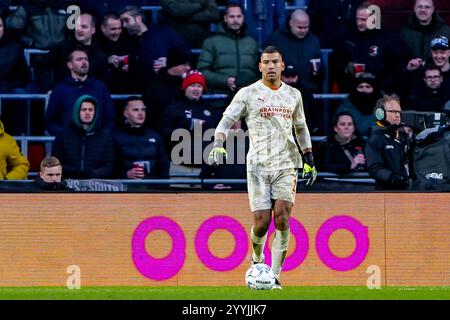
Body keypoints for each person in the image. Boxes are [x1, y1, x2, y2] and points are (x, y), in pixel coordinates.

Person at [208, 46, 317, 289]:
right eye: (265, 62)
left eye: (274, 62)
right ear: (259, 66)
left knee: (282, 218)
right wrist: (218, 144)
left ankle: (275, 276)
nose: (270, 66)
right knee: (261, 222)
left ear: (282, 65)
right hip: (257, 165)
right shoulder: (248, 93)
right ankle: (258, 259)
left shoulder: (294, 95)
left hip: (286, 164)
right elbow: (226, 120)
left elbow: (301, 127)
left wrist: (309, 159)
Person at [331, 1, 403, 93]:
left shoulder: (389, 39)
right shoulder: (348, 38)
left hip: (380, 91)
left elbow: (396, 68)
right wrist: (346, 68)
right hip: (353, 91)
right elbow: (336, 62)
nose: (359, 23)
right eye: (358, 19)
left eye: (363, 20)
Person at [45, 48, 115, 137]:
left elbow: (110, 118)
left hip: (96, 141)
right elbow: (50, 121)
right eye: (79, 59)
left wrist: (102, 135)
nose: (84, 62)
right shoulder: (60, 89)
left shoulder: (100, 87)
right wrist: (64, 135)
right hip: (68, 143)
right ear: (70, 65)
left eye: (86, 59)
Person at [197, 3, 259, 97]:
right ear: (225, 18)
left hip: (248, 97)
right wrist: (225, 81)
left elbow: (258, 71)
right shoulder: (211, 42)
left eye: (239, 16)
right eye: (232, 16)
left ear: (243, 18)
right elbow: (202, 71)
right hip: (220, 96)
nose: (235, 20)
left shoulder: (252, 42)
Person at [159, 70, 221, 163]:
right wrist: (188, 128)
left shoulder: (209, 109)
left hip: (205, 163)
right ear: (185, 87)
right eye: (192, 85)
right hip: (180, 164)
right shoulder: (174, 108)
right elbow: (164, 131)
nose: (196, 89)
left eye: (199, 86)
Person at [119, 5, 186, 89]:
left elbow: (184, 53)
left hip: (166, 87)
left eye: (126, 20)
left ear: (138, 19)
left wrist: (169, 62)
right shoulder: (124, 40)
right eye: (122, 22)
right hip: (139, 89)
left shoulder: (164, 33)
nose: (124, 25)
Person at [51, 95, 115, 179]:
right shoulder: (63, 134)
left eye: (91, 110)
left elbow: (108, 166)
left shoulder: (106, 135)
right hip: (68, 184)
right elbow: (55, 163)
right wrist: (76, 173)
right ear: (77, 111)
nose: (87, 113)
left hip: (97, 185)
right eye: (83, 110)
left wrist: (90, 176)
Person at [263, 9, 322, 91]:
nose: (303, 30)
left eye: (306, 27)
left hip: (307, 91)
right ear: (291, 23)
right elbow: (264, 65)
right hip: (279, 91)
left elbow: (319, 69)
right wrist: (279, 78)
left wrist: (315, 72)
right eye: (300, 27)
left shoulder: (314, 41)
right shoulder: (275, 40)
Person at [113, 96, 170, 179]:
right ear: (125, 113)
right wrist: (125, 174)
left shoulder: (156, 136)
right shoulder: (115, 137)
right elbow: (110, 166)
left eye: (143, 109)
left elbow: (164, 165)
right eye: (135, 110)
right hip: (127, 187)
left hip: (154, 187)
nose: (140, 113)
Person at [365, 94, 413, 190]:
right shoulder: (375, 139)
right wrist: (392, 177)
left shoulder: (405, 137)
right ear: (380, 114)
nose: (397, 114)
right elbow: (374, 168)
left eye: (399, 112)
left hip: (410, 190)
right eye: (393, 111)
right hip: (387, 192)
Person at [48, 12, 109, 86]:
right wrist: (48, 87)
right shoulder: (62, 48)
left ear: (93, 30)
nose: (79, 30)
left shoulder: (100, 55)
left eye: (84, 27)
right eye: (77, 26)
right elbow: (41, 65)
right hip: (63, 94)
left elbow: (102, 82)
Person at [400, 0, 450, 64]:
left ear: (433, 9)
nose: (423, 10)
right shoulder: (404, 33)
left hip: (438, 73)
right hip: (412, 72)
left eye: (427, 7)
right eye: (420, 6)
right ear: (414, 8)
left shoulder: (446, 32)